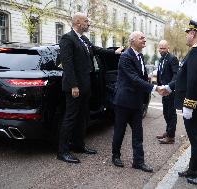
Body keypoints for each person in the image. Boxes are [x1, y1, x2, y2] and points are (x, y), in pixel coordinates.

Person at [57, 12, 123, 164]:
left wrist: (114, 52)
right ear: (78, 22)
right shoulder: (67, 38)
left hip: (85, 85)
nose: (89, 23)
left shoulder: (84, 39)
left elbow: (97, 49)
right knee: (70, 118)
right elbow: (67, 64)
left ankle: (79, 145)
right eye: (86, 21)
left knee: (83, 117)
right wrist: (73, 85)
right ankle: (63, 151)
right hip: (74, 87)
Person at [166, 20, 197, 186]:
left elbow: (194, 82)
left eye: (188, 33)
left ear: (193, 34)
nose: (187, 36)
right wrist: (169, 87)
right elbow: (185, 77)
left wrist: (188, 105)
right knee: (196, 139)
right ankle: (194, 169)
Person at [112, 31, 163, 172]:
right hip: (123, 101)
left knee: (138, 133)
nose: (144, 40)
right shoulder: (125, 57)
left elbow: (142, 77)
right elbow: (134, 79)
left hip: (136, 102)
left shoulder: (140, 55)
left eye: (145, 38)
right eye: (141, 38)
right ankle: (115, 155)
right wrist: (154, 88)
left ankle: (138, 162)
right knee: (119, 131)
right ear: (132, 41)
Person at [156, 40, 179, 144]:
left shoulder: (172, 58)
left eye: (163, 48)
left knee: (171, 113)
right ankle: (168, 131)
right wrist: (159, 86)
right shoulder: (161, 59)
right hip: (163, 91)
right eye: (160, 48)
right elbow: (161, 74)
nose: (161, 50)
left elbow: (176, 75)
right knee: (166, 112)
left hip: (170, 91)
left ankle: (171, 137)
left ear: (168, 48)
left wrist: (169, 87)